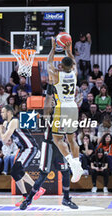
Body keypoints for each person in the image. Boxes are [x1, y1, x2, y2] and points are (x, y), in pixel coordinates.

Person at [19, 84, 78, 210]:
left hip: (60, 145)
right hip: (49, 144)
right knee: (43, 174)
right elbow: (47, 109)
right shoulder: (49, 111)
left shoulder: (65, 112)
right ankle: (28, 200)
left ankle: (66, 199)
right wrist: (49, 93)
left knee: (66, 171)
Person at [46, 38, 84, 182]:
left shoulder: (56, 75)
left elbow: (49, 63)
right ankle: (78, 164)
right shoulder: (74, 74)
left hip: (62, 108)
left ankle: (73, 163)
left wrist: (53, 48)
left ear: (61, 65)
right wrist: (69, 51)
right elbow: (73, 62)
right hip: (73, 107)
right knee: (71, 138)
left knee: (57, 138)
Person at [0, 105, 39, 207]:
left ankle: (35, 189)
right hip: (22, 149)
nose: (1, 114)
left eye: (3, 112)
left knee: (16, 170)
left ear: (9, 112)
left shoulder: (14, 121)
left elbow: (5, 140)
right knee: (15, 173)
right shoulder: (6, 123)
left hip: (30, 147)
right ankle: (28, 194)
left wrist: (1, 130)